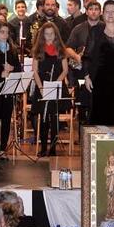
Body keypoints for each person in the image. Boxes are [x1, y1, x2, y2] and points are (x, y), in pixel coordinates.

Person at [32, 22, 69, 157]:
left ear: (56, 35)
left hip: (56, 87)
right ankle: (43, 147)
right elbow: (35, 71)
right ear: (42, 35)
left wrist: (56, 84)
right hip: (42, 87)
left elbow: (65, 70)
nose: (49, 37)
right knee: (43, 119)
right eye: (46, 34)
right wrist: (41, 87)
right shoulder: (38, 50)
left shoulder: (61, 50)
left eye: (51, 34)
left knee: (54, 118)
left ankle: (53, 148)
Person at [66, 1, 101, 127]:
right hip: (81, 72)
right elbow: (68, 48)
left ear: (100, 12)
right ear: (86, 11)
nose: (93, 11)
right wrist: (76, 56)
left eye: (96, 9)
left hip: (99, 72)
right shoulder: (78, 28)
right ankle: (83, 138)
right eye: (91, 9)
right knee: (83, 106)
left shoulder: (107, 28)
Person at [0, 21, 21, 159]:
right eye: (2, 32)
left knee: (7, 119)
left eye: (7, 33)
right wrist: (1, 73)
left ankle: (3, 148)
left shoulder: (12, 50)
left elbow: (18, 68)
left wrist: (12, 69)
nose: (5, 35)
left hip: (9, 89)